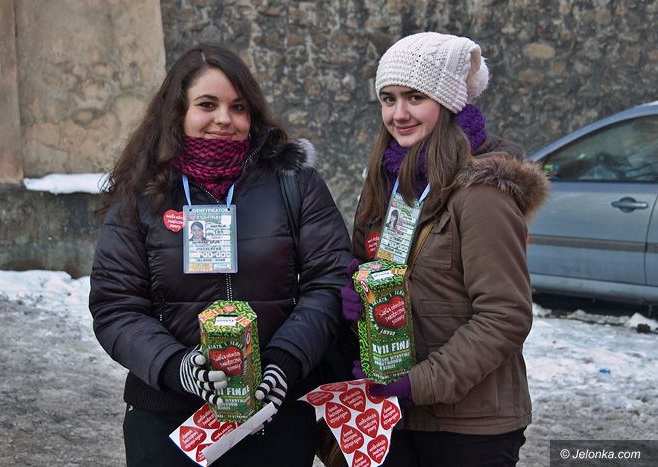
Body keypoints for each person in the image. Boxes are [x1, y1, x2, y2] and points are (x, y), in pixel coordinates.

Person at [89, 44, 352, 467]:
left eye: (238, 107)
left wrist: (283, 361)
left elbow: (330, 281)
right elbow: (116, 305)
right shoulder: (140, 192)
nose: (224, 119)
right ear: (178, 112)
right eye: (207, 105)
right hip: (169, 418)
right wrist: (177, 366)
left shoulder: (294, 182)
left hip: (273, 413)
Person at [341, 32, 549, 466]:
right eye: (388, 99)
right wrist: (355, 288)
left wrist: (419, 383)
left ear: (449, 102)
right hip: (395, 416)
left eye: (415, 97)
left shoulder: (483, 194)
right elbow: (367, 260)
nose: (398, 114)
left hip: (470, 427)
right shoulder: (386, 181)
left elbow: (505, 316)